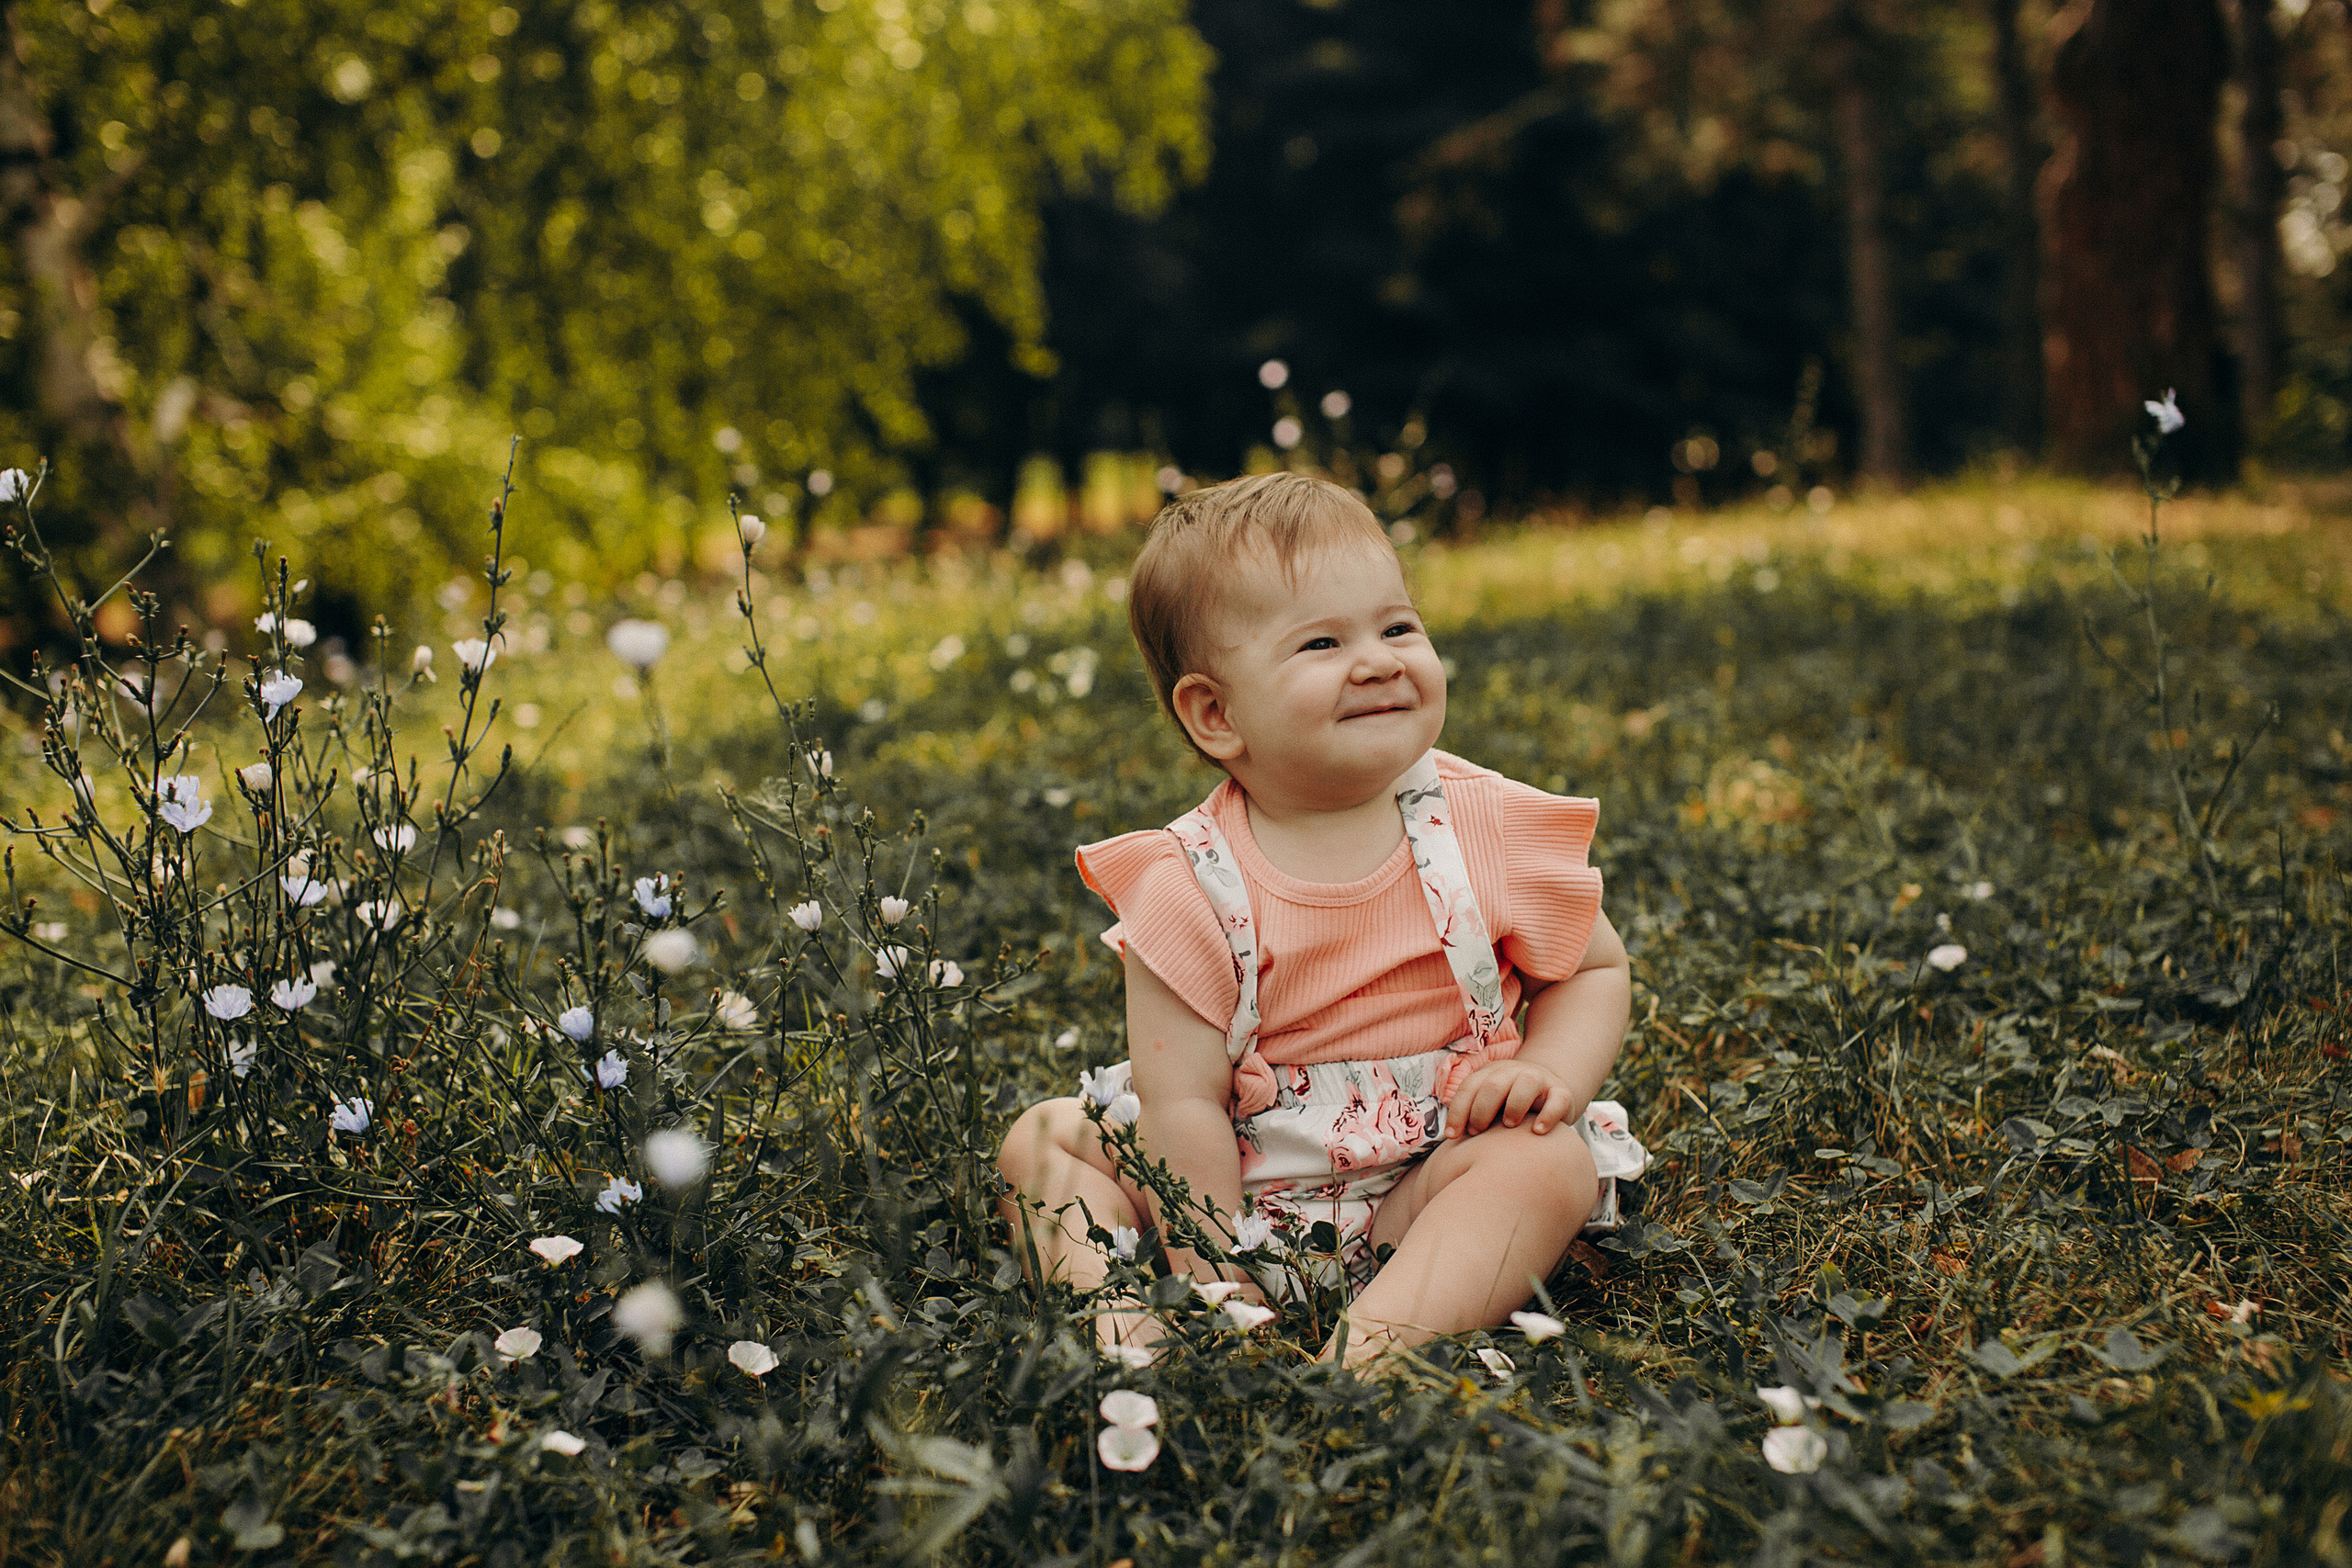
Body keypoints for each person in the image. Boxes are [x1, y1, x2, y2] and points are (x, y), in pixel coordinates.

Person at [997, 472, 1642, 1365]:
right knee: (1041, 1142)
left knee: (1548, 1165)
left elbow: (1594, 970)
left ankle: (1376, 1346)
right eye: (1321, 642)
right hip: (1235, 1185)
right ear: (1215, 714)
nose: (1377, 659)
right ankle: (1122, 1311)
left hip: (1428, 1176)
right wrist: (1218, 1267)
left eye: (1397, 626)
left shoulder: (1482, 822)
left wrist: (1548, 1072)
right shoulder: (1184, 881)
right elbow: (1180, 1103)